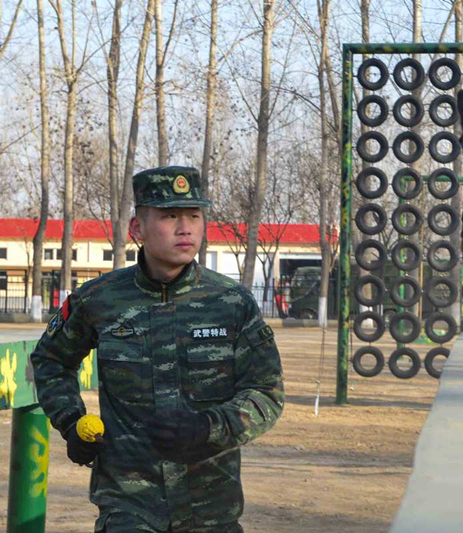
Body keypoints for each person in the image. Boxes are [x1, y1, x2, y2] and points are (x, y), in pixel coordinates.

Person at [31, 166, 285, 533]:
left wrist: (210, 426)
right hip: (129, 502)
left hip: (211, 506)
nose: (185, 228)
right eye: (169, 216)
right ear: (137, 228)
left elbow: (267, 392)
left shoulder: (231, 303)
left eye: (194, 216)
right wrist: (70, 421)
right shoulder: (99, 300)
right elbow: (51, 360)